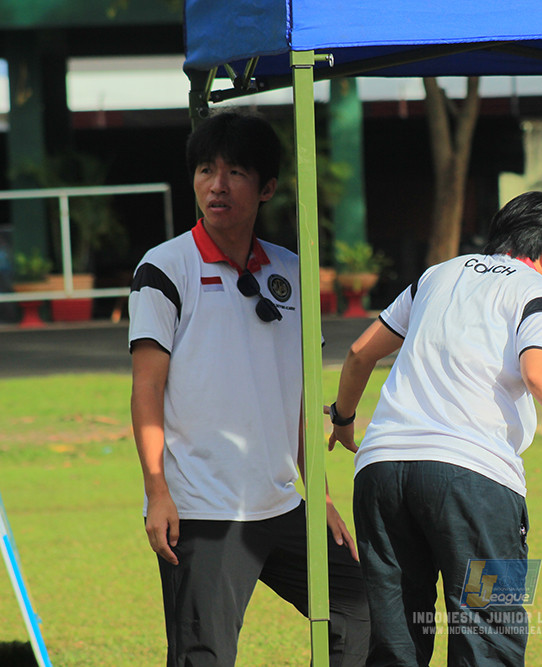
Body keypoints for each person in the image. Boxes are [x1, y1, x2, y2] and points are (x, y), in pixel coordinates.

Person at [327, 191, 542, 666]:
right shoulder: (540, 294)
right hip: (474, 485)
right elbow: (540, 374)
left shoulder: (437, 275)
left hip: (381, 473)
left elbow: (361, 351)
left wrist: (344, 419)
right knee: (490, 640)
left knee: (396, 646)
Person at [128, 111, 368, 667]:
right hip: (202, 513)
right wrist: (158, 492)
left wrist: (322, 495)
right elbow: (146, 392)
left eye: (235, 172)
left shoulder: (292, 270)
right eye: (206, 170)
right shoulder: (163, 269)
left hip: (284, 506)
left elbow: (304, 393)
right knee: (203, 656)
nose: (217, 185)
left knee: (361, 614)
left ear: (267, 188)